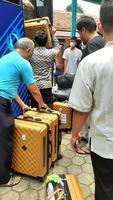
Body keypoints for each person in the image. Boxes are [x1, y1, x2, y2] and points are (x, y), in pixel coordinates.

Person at [69, 0, 113, 199]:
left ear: (101, 27)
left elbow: (82, 108)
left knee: (105, 189)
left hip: (105, 145)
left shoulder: (91, 62)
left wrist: (75, 135)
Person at [0, 37, 46, 187]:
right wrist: (41, 104)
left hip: (3, 98)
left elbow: (9, 88)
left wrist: (23, 105)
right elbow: (33, 89)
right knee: (4, 142)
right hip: (1, 104)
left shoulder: (6, 57)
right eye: (32, 52)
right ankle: (4, 179)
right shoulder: (23, 63)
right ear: (29, 50)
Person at [76, 15, 105, 154]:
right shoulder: (101, 40)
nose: (79, 36)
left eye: (79, 32)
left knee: (92, 118)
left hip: (95, 93)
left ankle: (90, 146)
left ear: (83, 30)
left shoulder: (92, 45)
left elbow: (91, 74)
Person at [30, 30, 59, 107]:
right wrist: (53, 35)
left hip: (34, 85)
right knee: (46, 108)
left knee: (34, 108)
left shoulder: (30, 53)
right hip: (46, 85)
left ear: (35, 42)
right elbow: (57, 48)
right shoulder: (51, 52)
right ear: (46, 42)